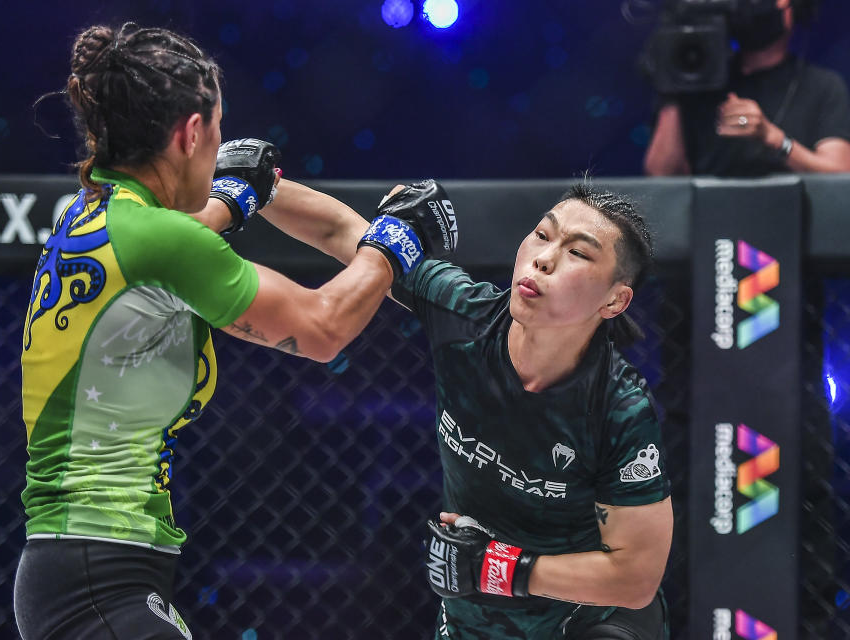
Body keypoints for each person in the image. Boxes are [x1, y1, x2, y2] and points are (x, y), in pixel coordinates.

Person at [14, 23, 456, 640]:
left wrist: (246, 198)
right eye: (217, 128)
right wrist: (396, 243)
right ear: (191, 133)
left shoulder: (98, 215)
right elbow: (323, 328)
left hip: (84, 568)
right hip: (98, 570)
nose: (222, 144)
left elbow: (283, 228)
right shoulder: (163, 240)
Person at [259, 181, 672, 639]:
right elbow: (342, 231)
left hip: (586, 621)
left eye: (578, 253)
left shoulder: (619, 407)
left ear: (614, 300)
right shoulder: (464, 314)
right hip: (475, 620)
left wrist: (497, 567)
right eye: (541, 234)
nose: (544, 258)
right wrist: (256, 183)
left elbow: (635, 578)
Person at [644, 0, 850, 176]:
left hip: (790, 217)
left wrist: (775, 140)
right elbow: (661, 174)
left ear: (794, 8)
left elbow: (838, 176)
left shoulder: (823, 86)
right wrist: (671, 89)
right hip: (710, 217)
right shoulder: (698, 81)